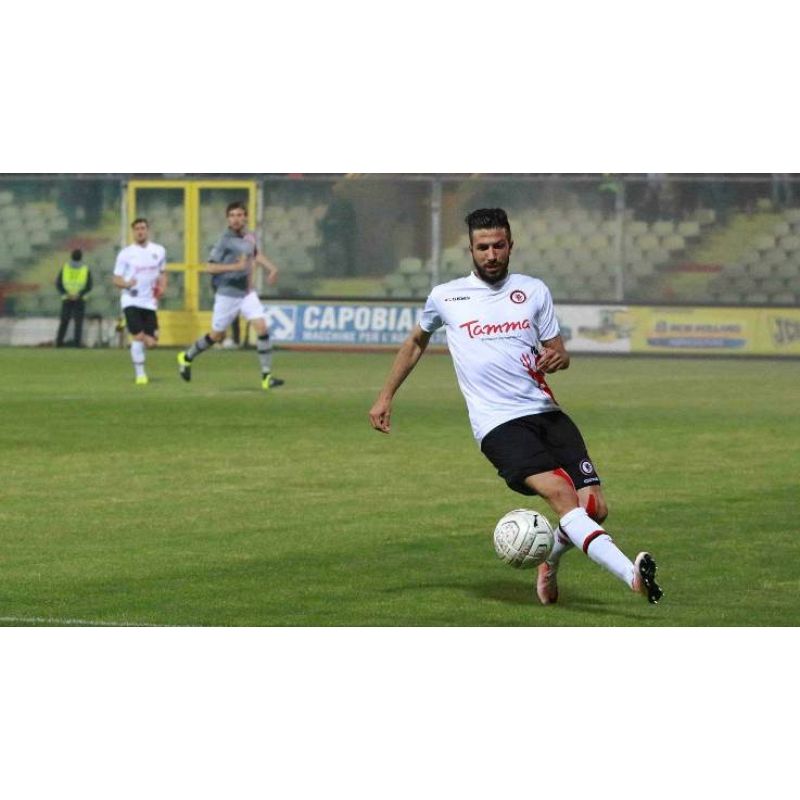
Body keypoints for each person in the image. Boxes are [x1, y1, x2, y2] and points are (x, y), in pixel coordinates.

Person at [369, 208, 663, 607]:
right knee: (561, 494)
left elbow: (558, 352)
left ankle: (549, 560)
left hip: (546, 413)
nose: (491, 255)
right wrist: (386, 395)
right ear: (471, 250)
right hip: (498, 424)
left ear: (511, 245)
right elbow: (416, 342)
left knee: (594, 508)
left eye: (499, 246)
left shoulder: (534, 291)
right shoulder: (446, 296)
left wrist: (559, 358)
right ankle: (632, 576)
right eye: (483, 247)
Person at [177, 201, 284, 390]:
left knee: (262, 327)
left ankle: (266, 377)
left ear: (245, 217)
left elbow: (255, 253)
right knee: (216, 335)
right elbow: (209, 267)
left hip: (247, 293)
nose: (236, 219)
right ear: (228, 219)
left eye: (239, 215)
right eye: (232, 215)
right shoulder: (224, 241)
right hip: (228, 294)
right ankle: (187, 356)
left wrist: (272, 268)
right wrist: (235, 266)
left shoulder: (250, 235)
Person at [112, 218, 167, 385]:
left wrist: (162, 287)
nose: (140, 231)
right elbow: (116, 279)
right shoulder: (126, 253)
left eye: (143, 228)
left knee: (151, 342)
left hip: (149, 302)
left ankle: (127, 324)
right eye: (137, 229)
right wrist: (127, 284)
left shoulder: (159, 250)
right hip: (131, 300)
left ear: (148, 230)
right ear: (133, 232)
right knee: (138, 336)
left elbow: (162, 272)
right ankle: (140, 374)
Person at [55, 248, 93, 347]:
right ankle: (77, 344)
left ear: (71, 256)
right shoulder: (85, 269)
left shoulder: (65, 268)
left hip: (66, 299)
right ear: (81, 257)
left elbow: (58, 283)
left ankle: (59, 343)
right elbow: (89, 286)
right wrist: (79, 294)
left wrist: (66, 294)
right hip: (80, 299)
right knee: (78, 323)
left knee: (64, 321)